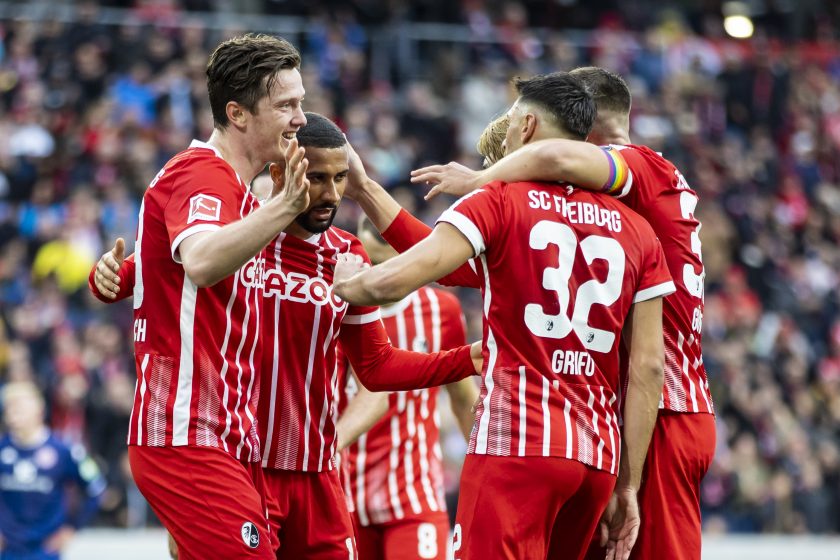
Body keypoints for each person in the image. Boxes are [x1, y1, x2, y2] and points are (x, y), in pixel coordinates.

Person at [91, 113, 481, 560]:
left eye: (339, 178)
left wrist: (469, 357)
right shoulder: (236, 238)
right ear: (283, 173)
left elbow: (377, 367)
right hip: (244, 469)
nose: (331, 195)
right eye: (316, 178)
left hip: (318, 475)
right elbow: (138, 274)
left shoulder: (345, 253)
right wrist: (106, 276)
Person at [333, 72, 673, 560]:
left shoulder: (498, 200)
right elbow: (649, 368)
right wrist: (628, 484)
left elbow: (400, 277)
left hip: (517, 443)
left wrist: (345, 283)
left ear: (527, 125)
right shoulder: (639, 230)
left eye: (511, 121)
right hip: (595, 460)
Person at [410, 67, 715, 560]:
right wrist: (369, 195)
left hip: (660, 411)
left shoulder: (638, 166)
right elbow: (451, 265)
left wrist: (479, 180)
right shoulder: (611, 213)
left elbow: (555, 155)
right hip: (619, 422)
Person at [90, 33, 311, 560]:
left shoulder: (235, 191)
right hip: (187, 433)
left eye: (300, 103)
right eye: (286, 105)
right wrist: (284, 206)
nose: (300, 118)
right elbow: (203, 261)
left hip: (227, 433)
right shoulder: (203, 176)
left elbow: (165, 265)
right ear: (237, 113)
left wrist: (118, 275)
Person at [334, 216, 479, 560]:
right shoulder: (337, 307)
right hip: (346, 496)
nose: (380, 280)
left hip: (414, 497)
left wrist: (484, 475)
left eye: (391, 267)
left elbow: (462, 399)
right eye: (372, 264)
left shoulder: (441, 311)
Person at [0, 382, 105, 560]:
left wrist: (72, 528)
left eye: (19, 407)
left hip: (45, 550)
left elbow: (97, 488)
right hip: (8, 550)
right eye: (9, 408)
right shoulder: (3, 449)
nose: (13, 414)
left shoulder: (65, 450)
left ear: (39, 409)